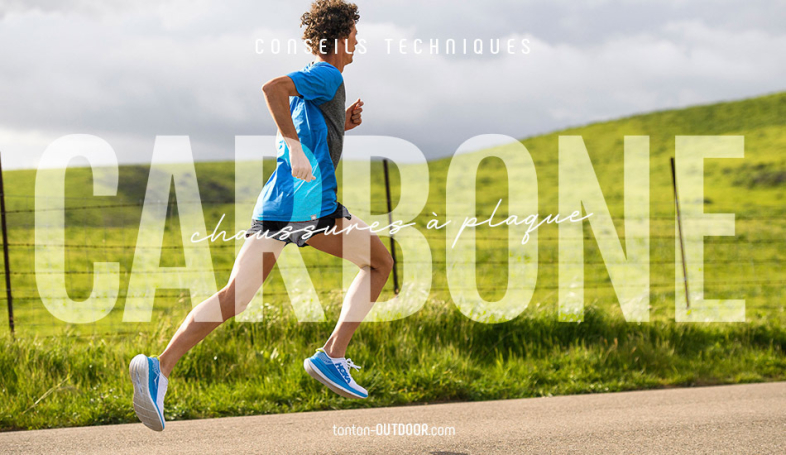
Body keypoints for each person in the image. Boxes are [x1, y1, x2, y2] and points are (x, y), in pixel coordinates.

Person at [129, 0, 394, 431]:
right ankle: (333, 355)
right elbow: (271, 88)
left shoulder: (318, 85)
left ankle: (160, 367)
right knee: (380, 264)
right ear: (339, 38)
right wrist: (292, 144)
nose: (357, 45)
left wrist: (340, 123)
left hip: (278, 203)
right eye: (353, 37)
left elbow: (305, 124)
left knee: (235, 296)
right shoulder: (327, 74)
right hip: (311, 206)